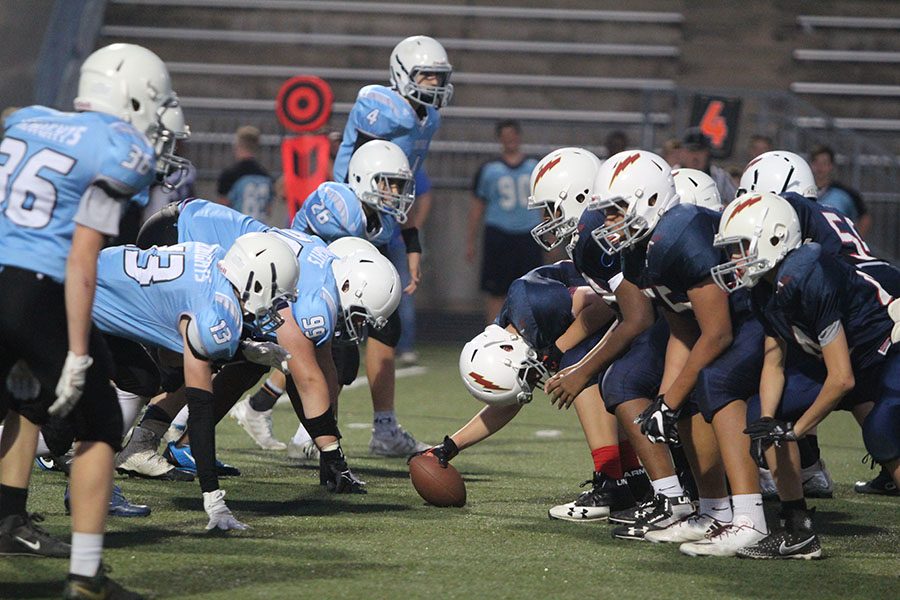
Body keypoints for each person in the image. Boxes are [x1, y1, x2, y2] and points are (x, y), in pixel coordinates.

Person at [0, 43, 173, 598]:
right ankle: (86, 576)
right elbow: (81, 259)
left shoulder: (28, 120)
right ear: (132, 97)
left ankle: (8, 521)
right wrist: (78, 351)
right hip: (36, 289)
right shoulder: (116, 145)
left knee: (22, 398)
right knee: (99, 423)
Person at [591, 150, 769, 555]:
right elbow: (682, 330)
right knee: (686, 394)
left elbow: (719, 332)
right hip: (724, 327)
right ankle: (714, 512)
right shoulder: (641, 250)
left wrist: (668, 400)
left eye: (615, 210)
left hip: (757, 320)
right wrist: (666, 399)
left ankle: (750, 518)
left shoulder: (681, 232)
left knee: (715, 382)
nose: (608, 222)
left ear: (649, 198)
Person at [711, 192, 900, 558]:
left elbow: (841, 379)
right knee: (765, 416)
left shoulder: (808, 272)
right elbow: (774, 363)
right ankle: (798, 529)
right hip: (848, 358)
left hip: (886, 348)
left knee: (885, 430)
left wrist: (795, 431)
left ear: (774, 236)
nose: (733, 260)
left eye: (740, 247)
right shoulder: (764, 287)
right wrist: (769, 420)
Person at [93, 233, 300, 531]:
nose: (278, 305)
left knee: (142, 380)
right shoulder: (216, 313)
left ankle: (88, 480)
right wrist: (214, 499)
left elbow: (171, 352)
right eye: (277, 294)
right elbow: (201, 408)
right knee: (55, 427)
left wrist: (242, 347)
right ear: (253, 281)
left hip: (98, 282)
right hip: (78, 293)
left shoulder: (216, 260)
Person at [425, 261, 642, 522]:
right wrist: (451, 446)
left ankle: (611, 483)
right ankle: (633, 476)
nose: (532, 378)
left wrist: (560, 349)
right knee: (578, 365)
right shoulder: (513, 336)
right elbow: (509, 402)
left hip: (641, 306)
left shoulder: (535, 304)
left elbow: (605, 302)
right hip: (631, 313)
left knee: (576, 366)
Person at [331, 35, 452, 456]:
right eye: (425, 74)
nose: (434, 82)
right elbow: (368, 172)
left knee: (382, 323)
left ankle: (382, 429)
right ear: (402, 74)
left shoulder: (428, 118)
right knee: (333, 331)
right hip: (347, 221)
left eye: (439, 75)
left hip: (382, 224)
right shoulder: (380, 105)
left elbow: (407, 182)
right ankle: (307, 428)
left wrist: (411, 240)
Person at [466, 120, 541, 324]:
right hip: (499, 234)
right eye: (505, 137)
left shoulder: (534, 167)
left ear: (519, 137)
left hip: (529, 233)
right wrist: (470, 240)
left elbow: (545, 204)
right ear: (500, 139)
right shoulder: (490, 170)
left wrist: (548, 236)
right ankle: (494, 332)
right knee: (496, 290)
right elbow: (477, 206)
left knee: (530, 289)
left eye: (513, 136)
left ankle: (528, 334)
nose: (510, 141)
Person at [809, 144, 871, 236]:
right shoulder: (802, 192)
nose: (820, 167)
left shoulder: (845, 193)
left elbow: (865, 218)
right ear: (811, 165)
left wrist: (855, 240)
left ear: (831, 166)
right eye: (816, 163)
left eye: (824, 163)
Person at [217, 125, 274, 224]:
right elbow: (268, 210)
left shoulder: (230, 174)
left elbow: (223, 208)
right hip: (259, 230)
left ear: (237, 145)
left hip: (237, 229)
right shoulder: (265, 175)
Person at [681, 128, 737, 201]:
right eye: (692, 151)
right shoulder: (672, 175)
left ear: (707, 153)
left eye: (700, 151)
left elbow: (735, 203)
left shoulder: (720, 177)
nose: (695, 156)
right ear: (683, 153)